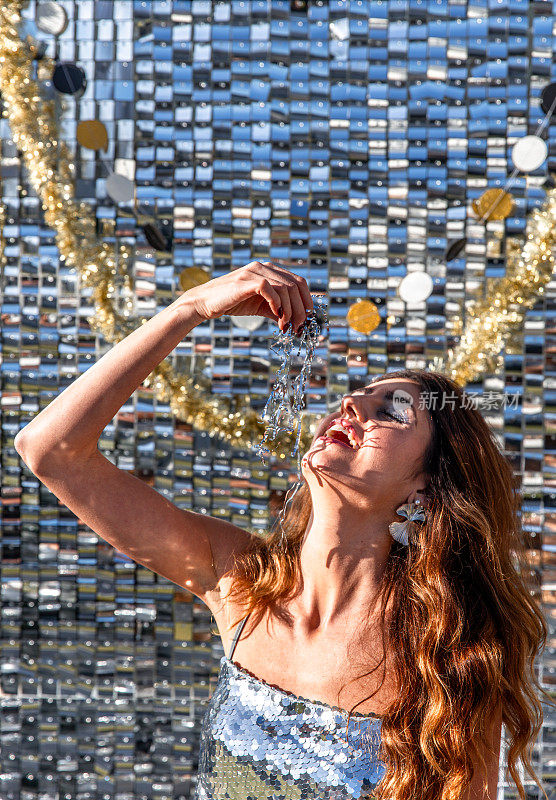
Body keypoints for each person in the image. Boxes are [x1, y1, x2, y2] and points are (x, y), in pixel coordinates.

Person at [13, 262, 550, 800]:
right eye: (360, 393)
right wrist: (190, 308)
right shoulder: (241, 582)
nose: (354, 405)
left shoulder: (447, 655)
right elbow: (50, 451)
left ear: (426, 491)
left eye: (394, 410)